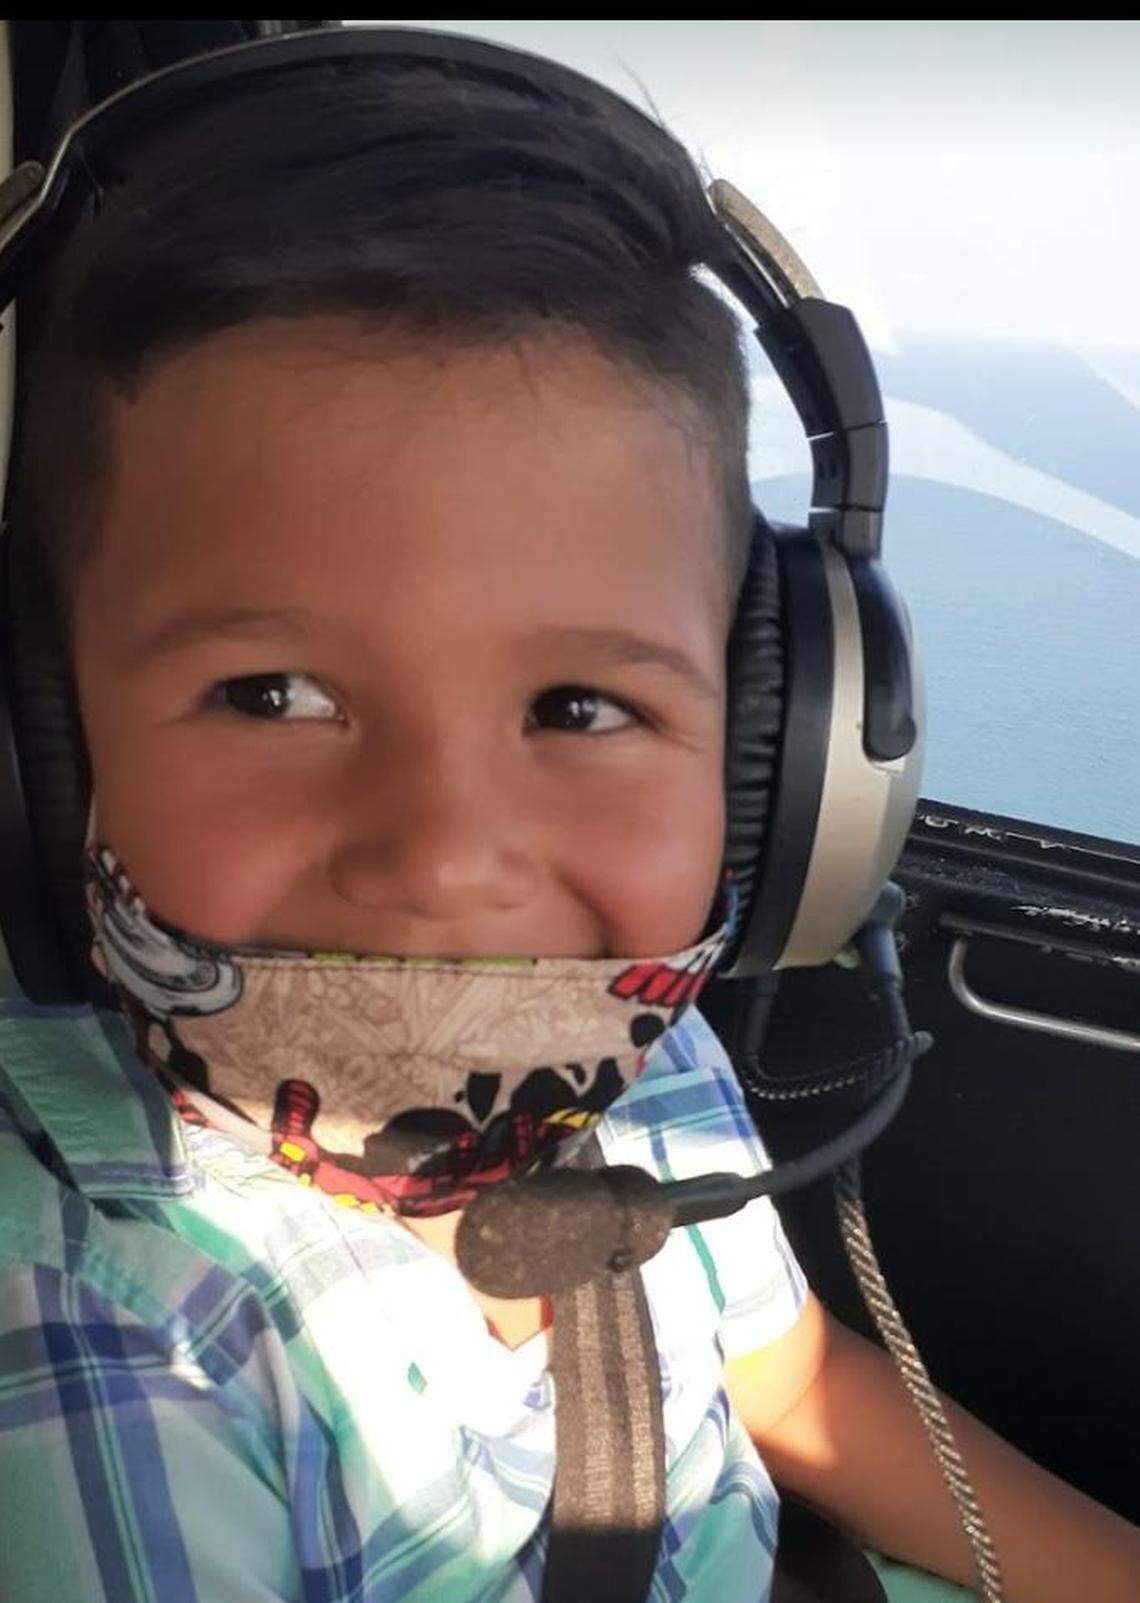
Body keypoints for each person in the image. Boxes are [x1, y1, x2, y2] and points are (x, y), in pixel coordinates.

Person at [0, 39, 1137, 1603]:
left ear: (783, 762)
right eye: (272, 695)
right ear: (35, 742)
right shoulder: (88, 1326)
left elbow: (788, 1383)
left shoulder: (636, 1054)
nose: (451, 858)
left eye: (581, 711)